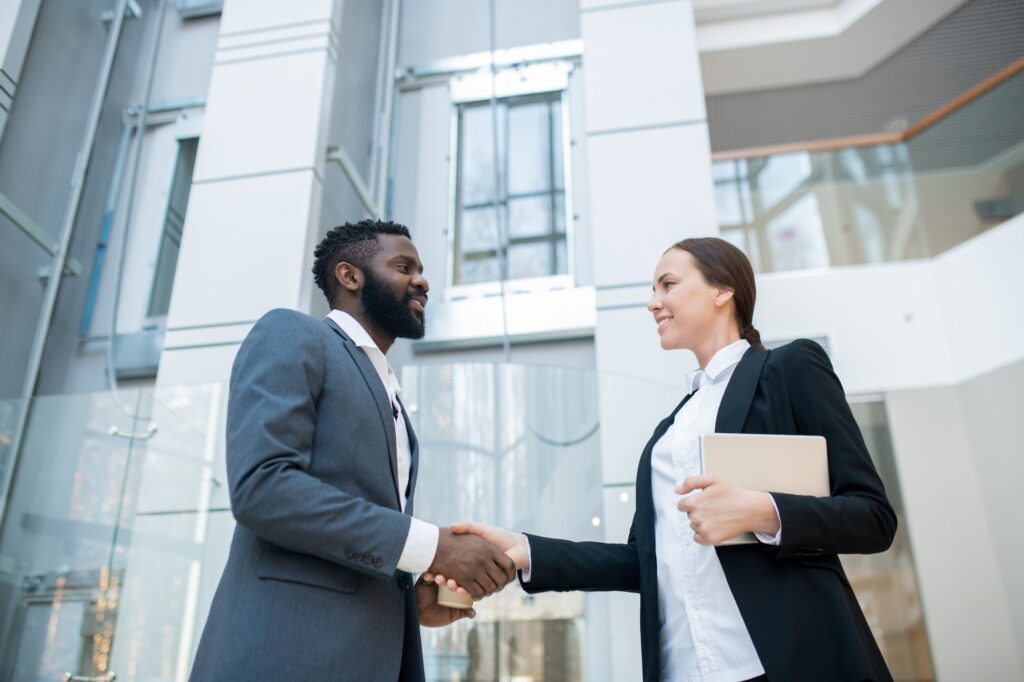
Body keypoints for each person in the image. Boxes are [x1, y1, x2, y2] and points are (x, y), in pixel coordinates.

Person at [438, 237, 897, 681]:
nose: (653, 302)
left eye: (668, 284)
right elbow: (643, 561)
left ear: (723, 290)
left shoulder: (789, 369)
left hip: (788, 660)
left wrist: (762, 510)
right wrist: (525, 550)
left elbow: (872, 516)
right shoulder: (669, 432)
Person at [190, 220, 516, 681]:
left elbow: (358, 536)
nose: (423, 280)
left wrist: (411, 596)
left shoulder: (392, 395)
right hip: (285, 660)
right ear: (350, 276)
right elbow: (262, 486)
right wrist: (431, 546)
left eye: (422, 269)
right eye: (404, 266)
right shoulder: (292, 333)